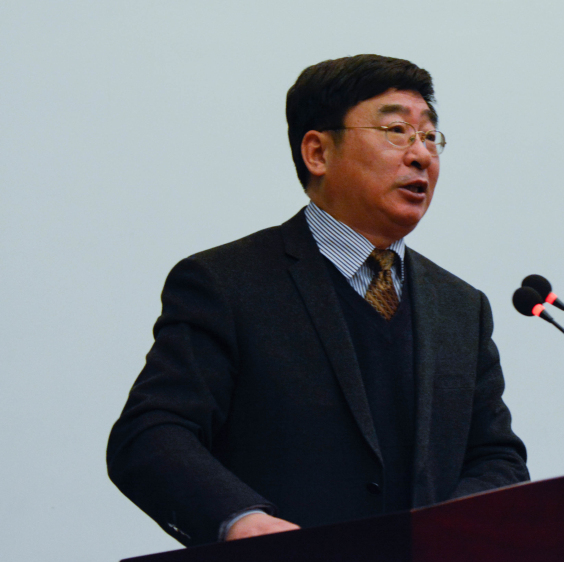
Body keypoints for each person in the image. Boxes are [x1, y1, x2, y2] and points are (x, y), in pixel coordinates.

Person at [107, 54, 529, 547]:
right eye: (397, 130)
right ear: (317, 153)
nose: (421, 155)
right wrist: (241, 520)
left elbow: (496, 457)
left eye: (430, 135)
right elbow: (152, 432)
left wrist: (447, 534)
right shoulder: (227, 284)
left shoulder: (460, 307)